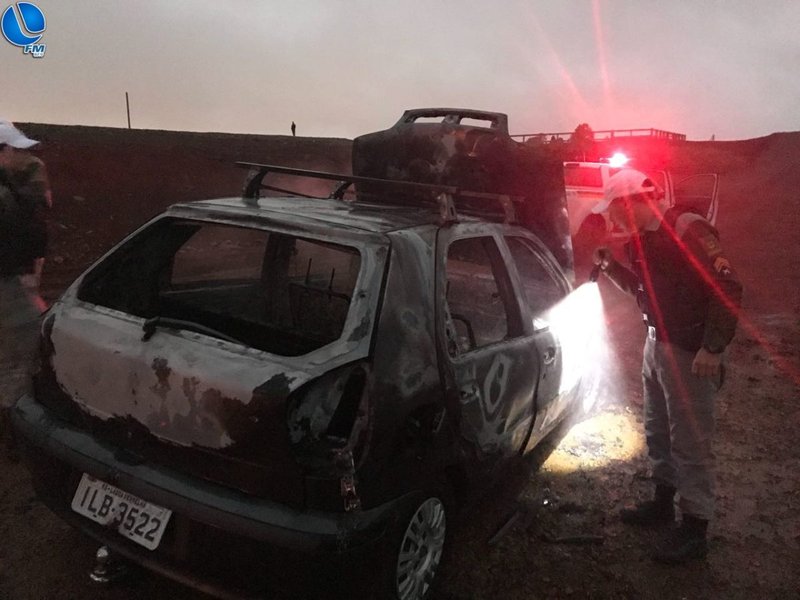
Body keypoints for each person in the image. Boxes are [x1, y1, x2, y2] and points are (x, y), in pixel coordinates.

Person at [591, 169, 742, 564]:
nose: (615, 220)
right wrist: (611, 269)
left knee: (691, 440)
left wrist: (712, 347)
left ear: (632, 202)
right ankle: (663, 501)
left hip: (691, 354)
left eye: (616, 210)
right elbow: (642, 291)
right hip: (656, 346)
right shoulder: (642, 243)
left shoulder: (687, 230)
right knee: (658, 428)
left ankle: (695, 529)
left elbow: (727, 286)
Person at [0, 119, 51, 458]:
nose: (22, 156)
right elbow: (25, 236)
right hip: (7, 285)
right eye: (15, 149)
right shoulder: (8, 196)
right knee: (31, 345)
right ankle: (15, 435)